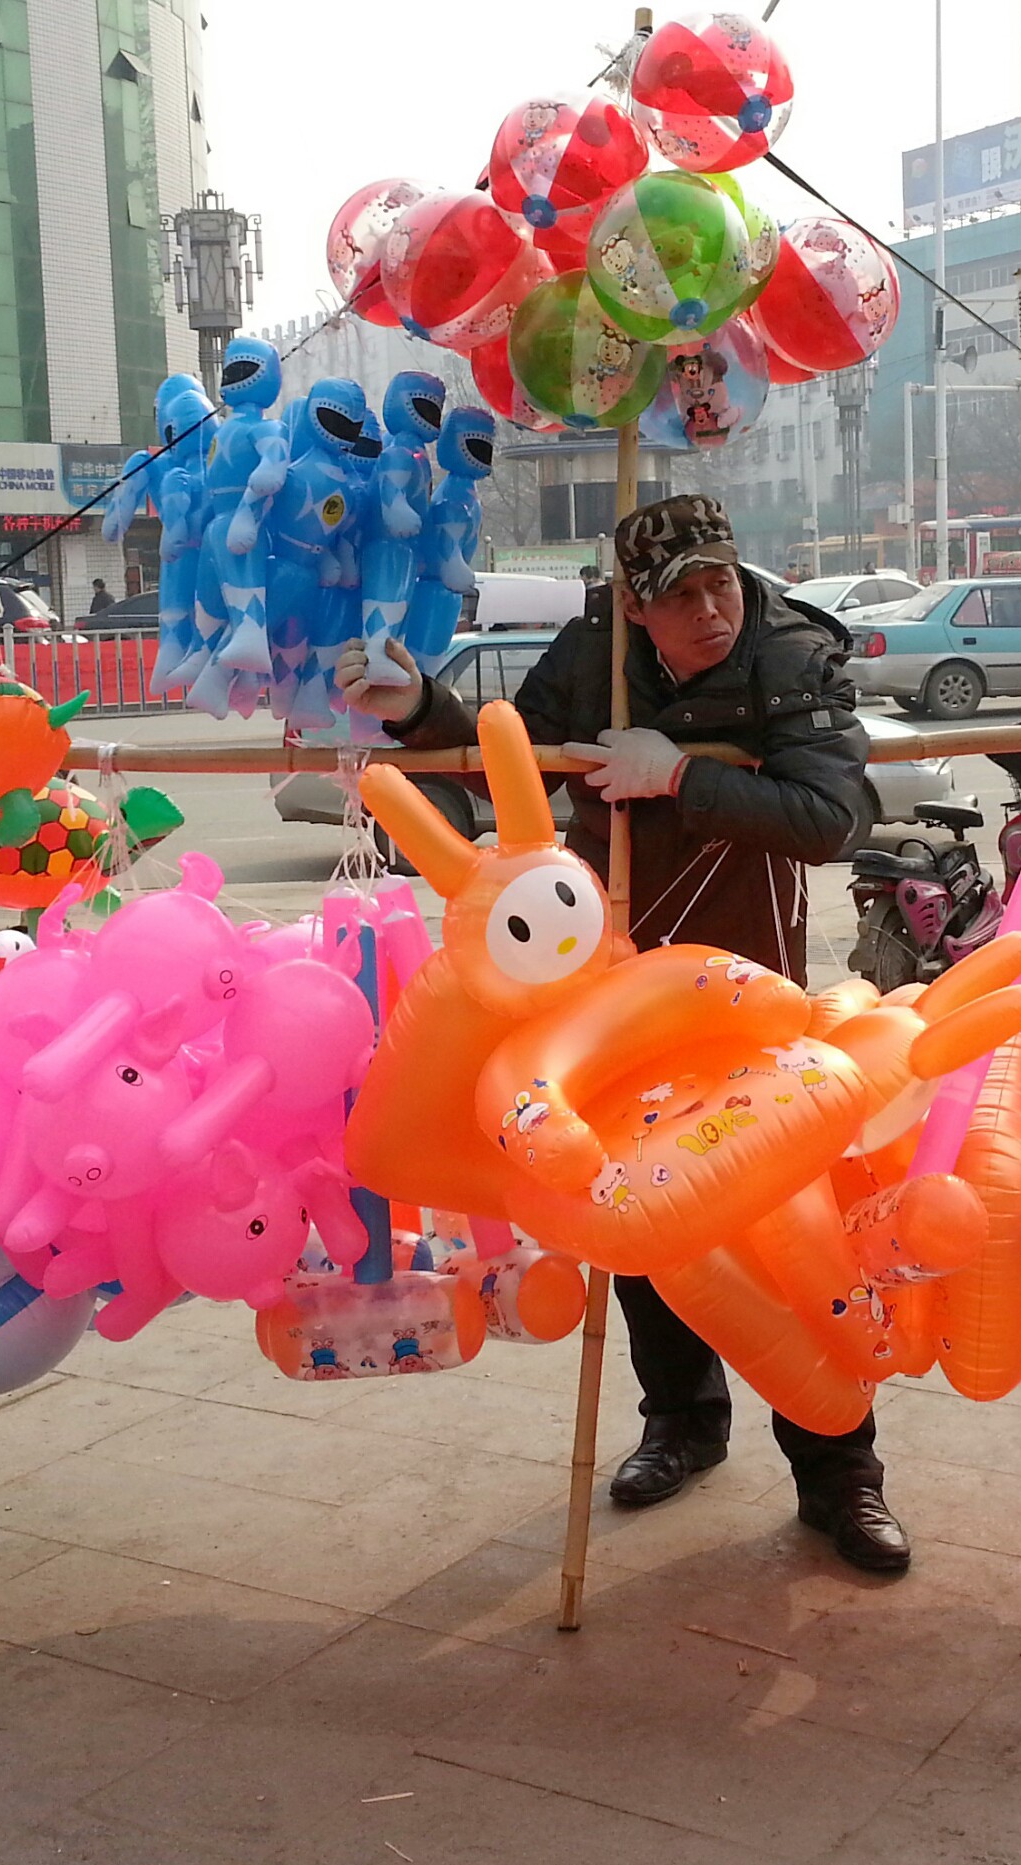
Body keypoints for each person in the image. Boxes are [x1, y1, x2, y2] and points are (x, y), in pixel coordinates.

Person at [336, 493, 913, 1573]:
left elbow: (833, 815)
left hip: (754, 996)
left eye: (719, 585)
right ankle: (681, 1425)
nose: (709, 612)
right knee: (641, 1222)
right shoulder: (596, 651)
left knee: (795, 1233)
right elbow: (512, 767)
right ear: (635, 609)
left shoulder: (789, 652)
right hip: (621, 993)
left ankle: (842, 1472)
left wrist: (683, 776)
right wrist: (419, 710)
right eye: (678, 596)